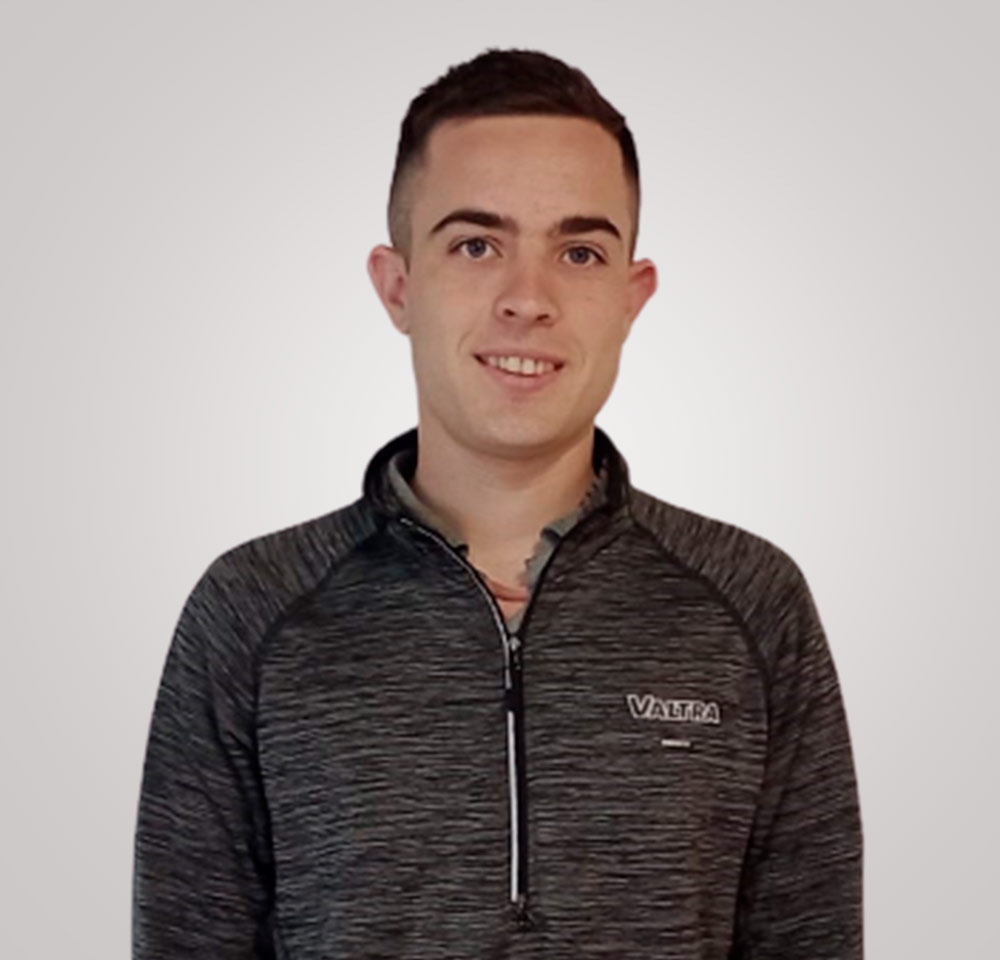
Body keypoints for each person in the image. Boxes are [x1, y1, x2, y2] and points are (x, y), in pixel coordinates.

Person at [132, 48, 863, 959]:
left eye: (579, 252)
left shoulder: (752, 603)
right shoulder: (252, 611)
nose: (528, 299)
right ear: (399, 287)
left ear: (630, 297)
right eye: (476, 246)